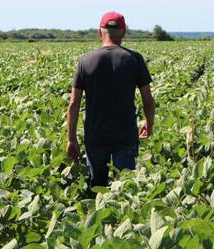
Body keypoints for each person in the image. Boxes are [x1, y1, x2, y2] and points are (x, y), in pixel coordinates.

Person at [66, 11, 156, 197]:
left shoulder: (85, 61)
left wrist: (71, 139)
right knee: (125, 192)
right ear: (124, 33)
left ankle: (94, 223)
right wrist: (149, 124)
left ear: (100, 32)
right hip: (125, 137)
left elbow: (74, 103)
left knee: (96, 192)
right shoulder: (134, 59)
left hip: (95, 136)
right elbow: (148, 100)